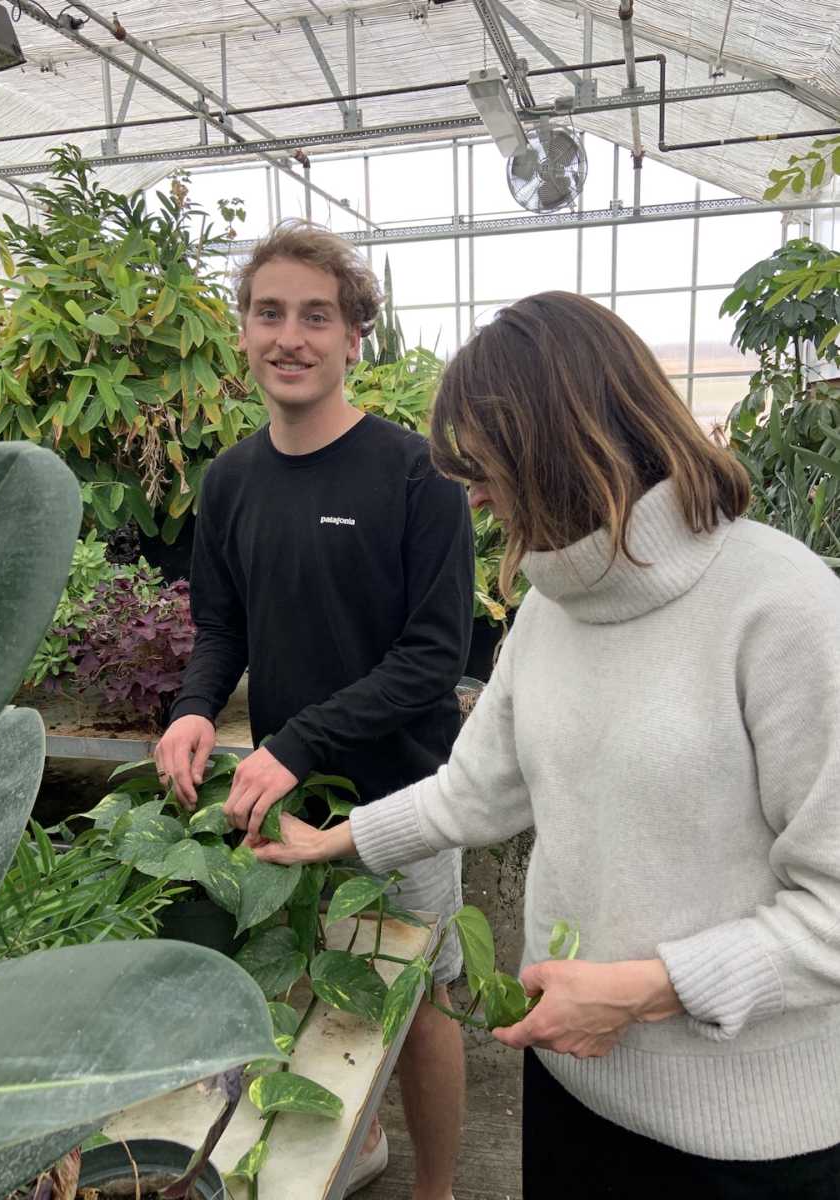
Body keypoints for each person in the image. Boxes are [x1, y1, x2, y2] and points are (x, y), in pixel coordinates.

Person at [250, 290, 840, 1199]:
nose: (474, 496)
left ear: (564, 442)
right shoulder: (552, 608)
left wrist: (651, 989)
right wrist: (331, 839)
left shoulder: (782, 607)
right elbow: (476, 788)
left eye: (485, 467)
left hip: (748, 1140)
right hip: (571, 1089)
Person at [154, 220, 474, 1200]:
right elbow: (222, 625)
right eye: (269, 313)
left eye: (316, 316)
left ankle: (440, 1188)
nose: (290, 336)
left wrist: (294, 742)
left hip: (406, 796)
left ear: (352, 338)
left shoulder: (414, 475)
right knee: (313, 984)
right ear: (242, 332)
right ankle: (360, 1144)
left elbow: (432, 660)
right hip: (292, 793)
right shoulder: (233, 481)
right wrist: (195, 706)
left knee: (418, 1001)